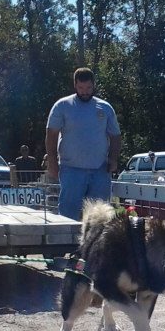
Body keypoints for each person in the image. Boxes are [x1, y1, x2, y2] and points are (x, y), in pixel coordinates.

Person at [44, 67, 121, 221]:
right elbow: (51, 135)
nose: (85, 91)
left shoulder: (105, 107)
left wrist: (113, 159)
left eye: (88, 88)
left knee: (100, 218)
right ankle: (66, 245)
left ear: (94, 85)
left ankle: (97, 245)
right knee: (68, 216)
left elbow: (115, 136)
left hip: (99, 170)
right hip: (71, 170)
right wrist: (52, 162)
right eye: (81, 88)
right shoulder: (62, 106)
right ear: (75, 85)